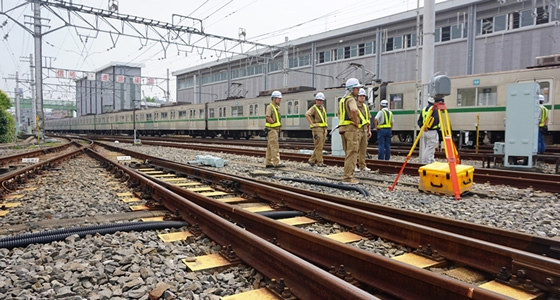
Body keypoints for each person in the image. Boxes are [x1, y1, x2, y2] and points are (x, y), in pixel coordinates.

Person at [338, 78, 361, 184]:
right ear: (352, 89)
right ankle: (348, 177)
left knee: (348, 152)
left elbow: (339, 114)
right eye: (357, 88)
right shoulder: (351, 99)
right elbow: (354, 110)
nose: (358, 90)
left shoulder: (342, 100)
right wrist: (356, 123)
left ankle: (347, 175)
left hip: (343, 128)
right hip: (351, 130)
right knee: (352, 153)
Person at [305, 92, 328, 167]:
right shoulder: (314, 108)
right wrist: (312, 124)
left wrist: (326, 129)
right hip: (317, 129)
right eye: (318, 100)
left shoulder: (322, 108)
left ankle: (311, 160)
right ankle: (319, 162)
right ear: (316, 100)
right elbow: (307, 114)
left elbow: (324, 119)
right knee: (319, 146)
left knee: (319, 145)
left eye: (321, 100)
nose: (319, 101)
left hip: (323, 129)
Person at [265, 91, 285, 168]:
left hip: (275, 129)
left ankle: (268, 162)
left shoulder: (277, 107)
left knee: (270, 147)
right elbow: (268, 116)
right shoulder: (270, 107)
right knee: (274, 146)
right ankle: (277, 162)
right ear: (274, 98)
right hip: (272, 129)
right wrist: (273, 122)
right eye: (278, 98)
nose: (280, 100)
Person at [417, 97, 440, 164]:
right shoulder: (435, 109)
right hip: (432, 131)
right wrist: (429, 127)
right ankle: (426, 162)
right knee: (430, 147)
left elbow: (419, 121)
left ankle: (431, 161)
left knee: (429, 146)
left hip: (425, 131)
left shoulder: (424, 109)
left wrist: (423, 127)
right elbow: (436, 120)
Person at [355, 88, 371, 171]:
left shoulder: (365, 107)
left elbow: (368, 119)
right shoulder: (354, 106)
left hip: (364, 130)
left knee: (363, 149)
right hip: (357, 130)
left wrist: (369, 130)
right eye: (360, 96)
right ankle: (354, 165)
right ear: (357, 97)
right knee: (355, 149)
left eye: (363, 96)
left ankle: (362, 165)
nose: (362, 97)